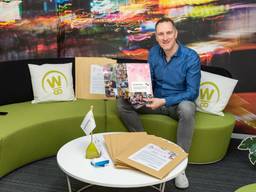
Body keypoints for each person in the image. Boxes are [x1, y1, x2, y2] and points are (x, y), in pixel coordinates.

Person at [117, 17, 201, 189]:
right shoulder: (154, 53)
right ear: (156, 37)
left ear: (176, 33)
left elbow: (192, 92)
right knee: (122, 102)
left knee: (187, 108)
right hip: (153, 101)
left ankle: (179, 166)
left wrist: (163, 101)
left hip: (176, 104)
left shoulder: (191, 57)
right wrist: (134, 90)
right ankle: (142, 146)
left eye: (169, 33)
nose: (165, 37)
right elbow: (149, 81)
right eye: (161, 34)